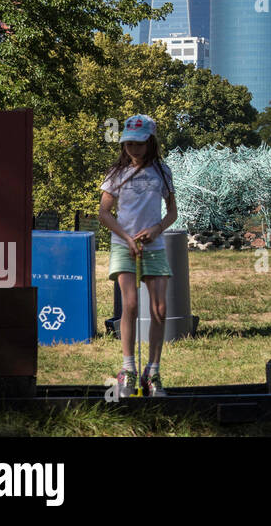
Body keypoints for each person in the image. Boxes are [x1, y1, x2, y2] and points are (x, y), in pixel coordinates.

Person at [98, 114, 177, 397]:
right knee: (129, 305)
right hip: (124, 245)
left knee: (160, 309)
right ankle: (128, 368)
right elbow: (103, 213)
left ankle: (153, 371)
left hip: (152, 246)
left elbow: (172, 213)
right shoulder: (116, 173)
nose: (133, 148)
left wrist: (157, 229)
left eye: (139, 143)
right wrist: (126, 237)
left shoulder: (162, 172)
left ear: (150, 142)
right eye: (128, 143)